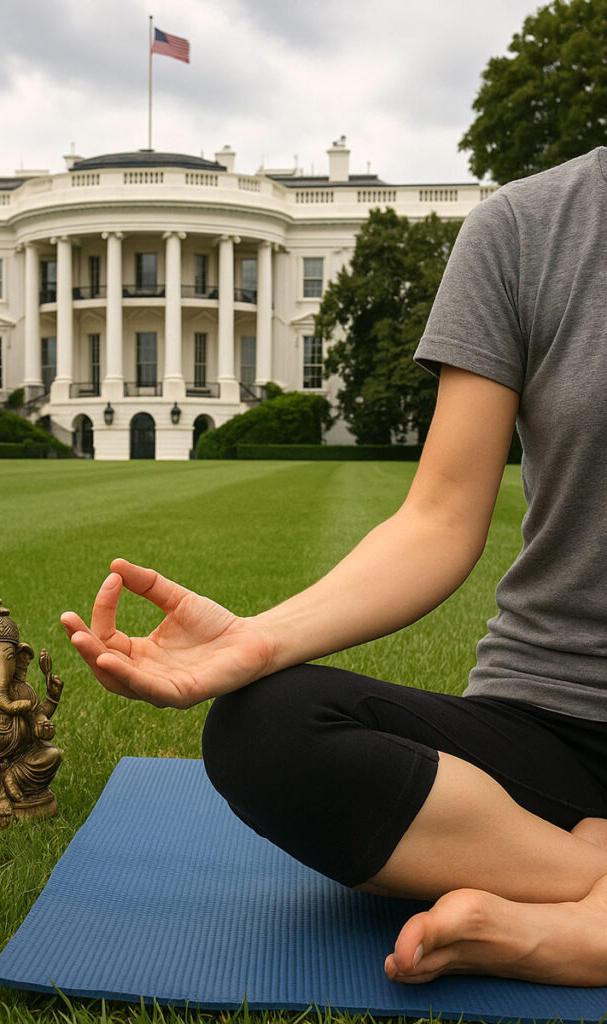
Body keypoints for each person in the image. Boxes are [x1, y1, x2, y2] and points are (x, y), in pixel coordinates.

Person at [62, 146, 607, 987]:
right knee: (262, 727)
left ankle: (573, 922)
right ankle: (583, 879)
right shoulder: (527, 226)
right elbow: (438, 516)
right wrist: (256, 641)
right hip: (550, 721)